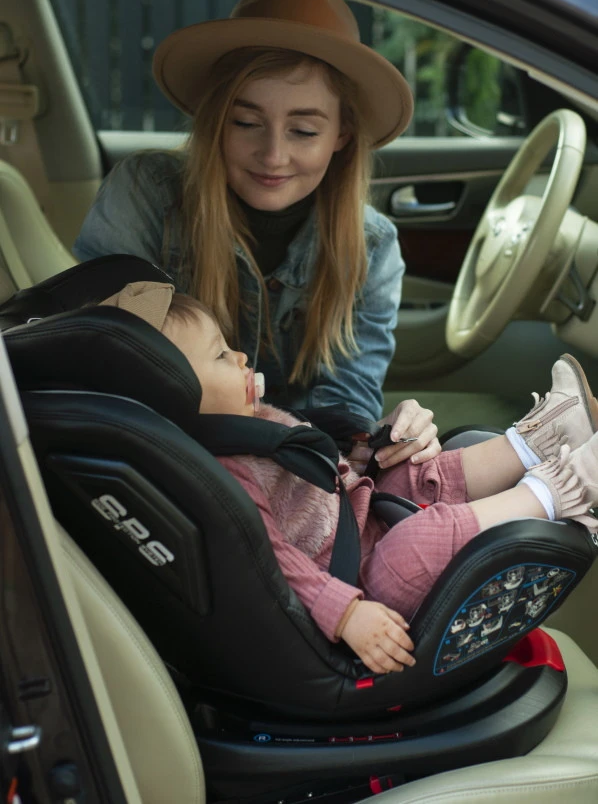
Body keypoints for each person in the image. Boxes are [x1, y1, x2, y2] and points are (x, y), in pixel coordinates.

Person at [99, 281, 598, 675]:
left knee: (415, 470)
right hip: (361, 582)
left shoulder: (248, 422)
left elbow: (311, 471)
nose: (241, 357)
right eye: (219, 356)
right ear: (178, 398)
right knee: (418, 540)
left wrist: (362, 458)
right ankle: (566, 486)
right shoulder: (222, 477)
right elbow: (273, 563)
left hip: (352, 517)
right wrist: (345, 613)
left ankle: (539, 441)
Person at [74, 0, 441, 469]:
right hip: (166, 464)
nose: (273, 155)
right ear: (216, 120)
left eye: (303, 130)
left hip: (296, 468)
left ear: (342, 134)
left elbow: (346, 398)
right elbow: (106, 358)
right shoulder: (147, 196)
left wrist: (378, 436)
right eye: (246, 123)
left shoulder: (372, 246)